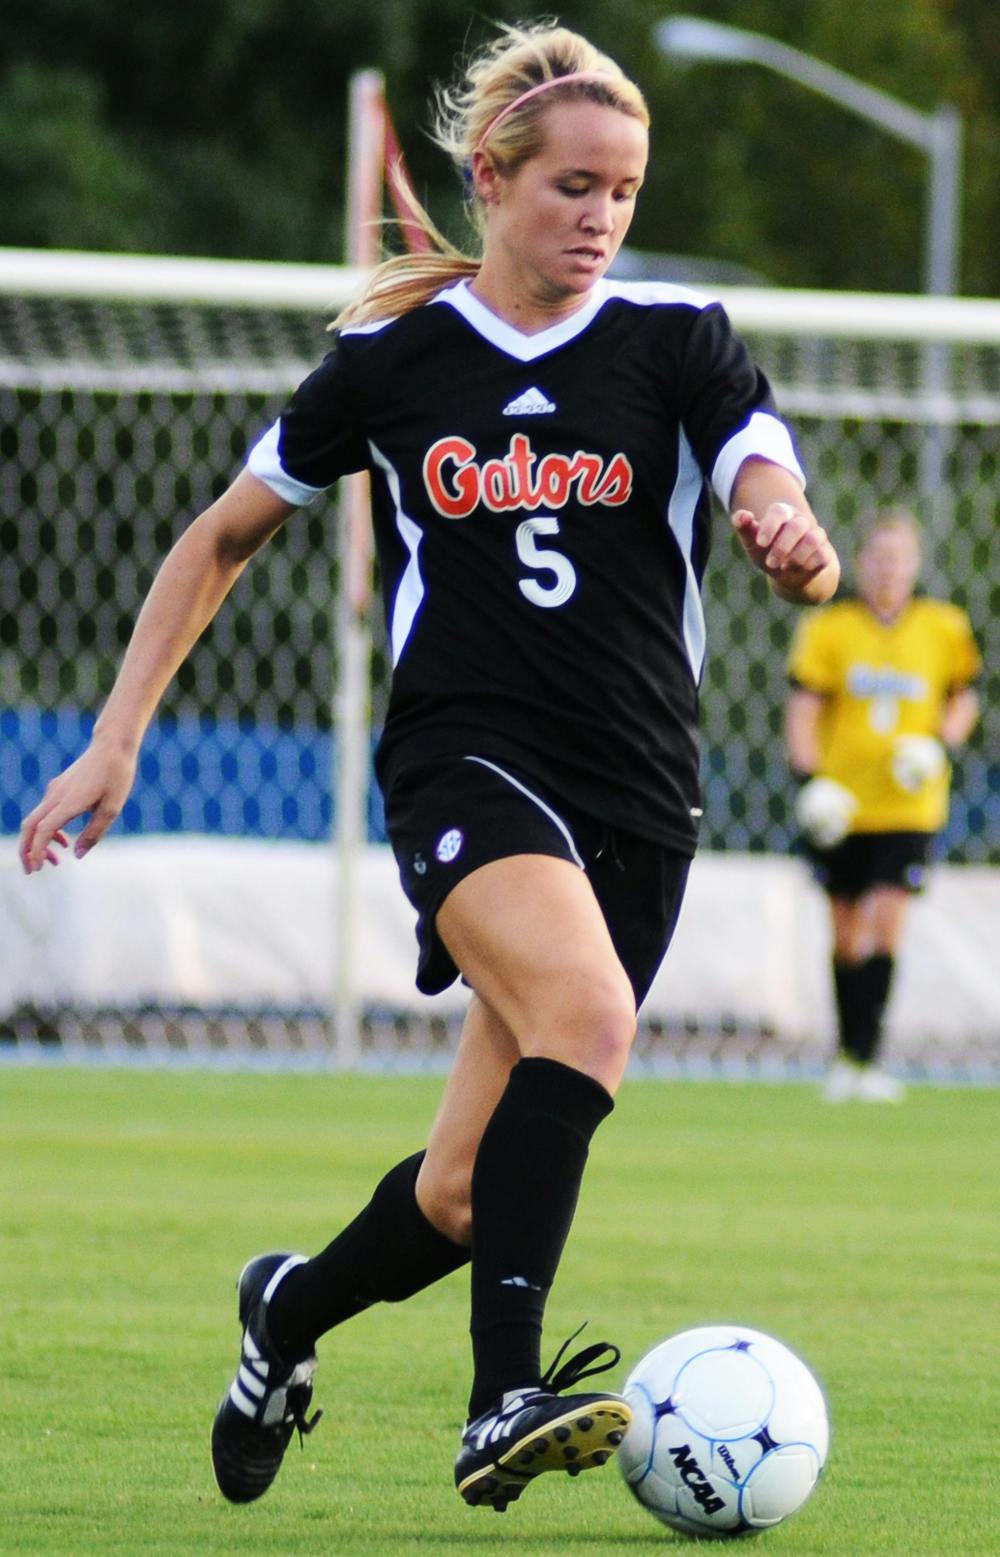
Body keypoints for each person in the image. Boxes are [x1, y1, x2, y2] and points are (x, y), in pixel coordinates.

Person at [19, 21, 839, 1515]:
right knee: (587, 1015)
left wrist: (789, 526)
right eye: (572, 187)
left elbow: (756, 461)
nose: (600, 218)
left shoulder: (677, 340)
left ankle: (287, 1317)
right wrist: (114, 737)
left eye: (625, 192)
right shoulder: (392, 364)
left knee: (466, 1194)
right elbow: (219, 537)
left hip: (641, 801)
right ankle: (500, 1397)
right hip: (465, 768)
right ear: (492, 178)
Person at [786, 507, 980, 1103]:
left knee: (885, 918)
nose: (889, 569)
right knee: (845, 930)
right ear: (861, 563)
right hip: (844, 804)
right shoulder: (830, 629)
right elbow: (804, 709)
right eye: (878, 556)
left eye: (900, 557)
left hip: (909, 805)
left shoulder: (943, 627)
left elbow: (963, 699)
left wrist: (937, 744)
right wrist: (809, 778)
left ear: (915, 565)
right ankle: (846, 1056)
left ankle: (868, 1057)